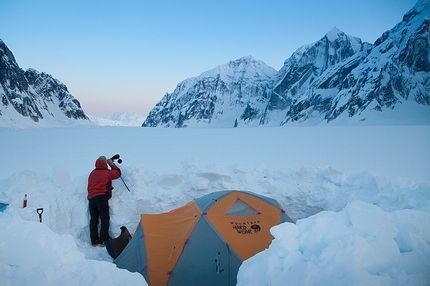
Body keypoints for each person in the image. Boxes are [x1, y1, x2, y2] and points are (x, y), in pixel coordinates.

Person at [87, 155, 121, 247]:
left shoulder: (92, 173)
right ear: (105, 163)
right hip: (101, 198)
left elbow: (93, 185)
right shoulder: (106, 172)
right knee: (104, 219)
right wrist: (111, 164)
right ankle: (104, 240)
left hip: (91, 199)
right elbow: (118, 173)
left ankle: (94, 240)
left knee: (94, 219)